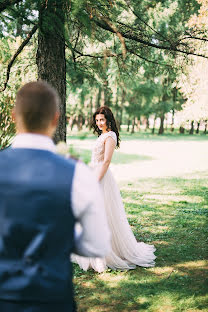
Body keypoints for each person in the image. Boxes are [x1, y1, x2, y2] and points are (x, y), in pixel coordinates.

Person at [0, 82, 111, 312]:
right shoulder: (78, 173)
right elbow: (96, 244)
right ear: (55, 119)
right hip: (52, 299)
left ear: (13, 116)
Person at [72, 106, 156, 273]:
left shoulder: (110, 136)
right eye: (97, 120)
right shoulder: (102, 135)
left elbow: (106, 161)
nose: (99, 123)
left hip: (102, 178)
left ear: (108, 120)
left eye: (102, 120)